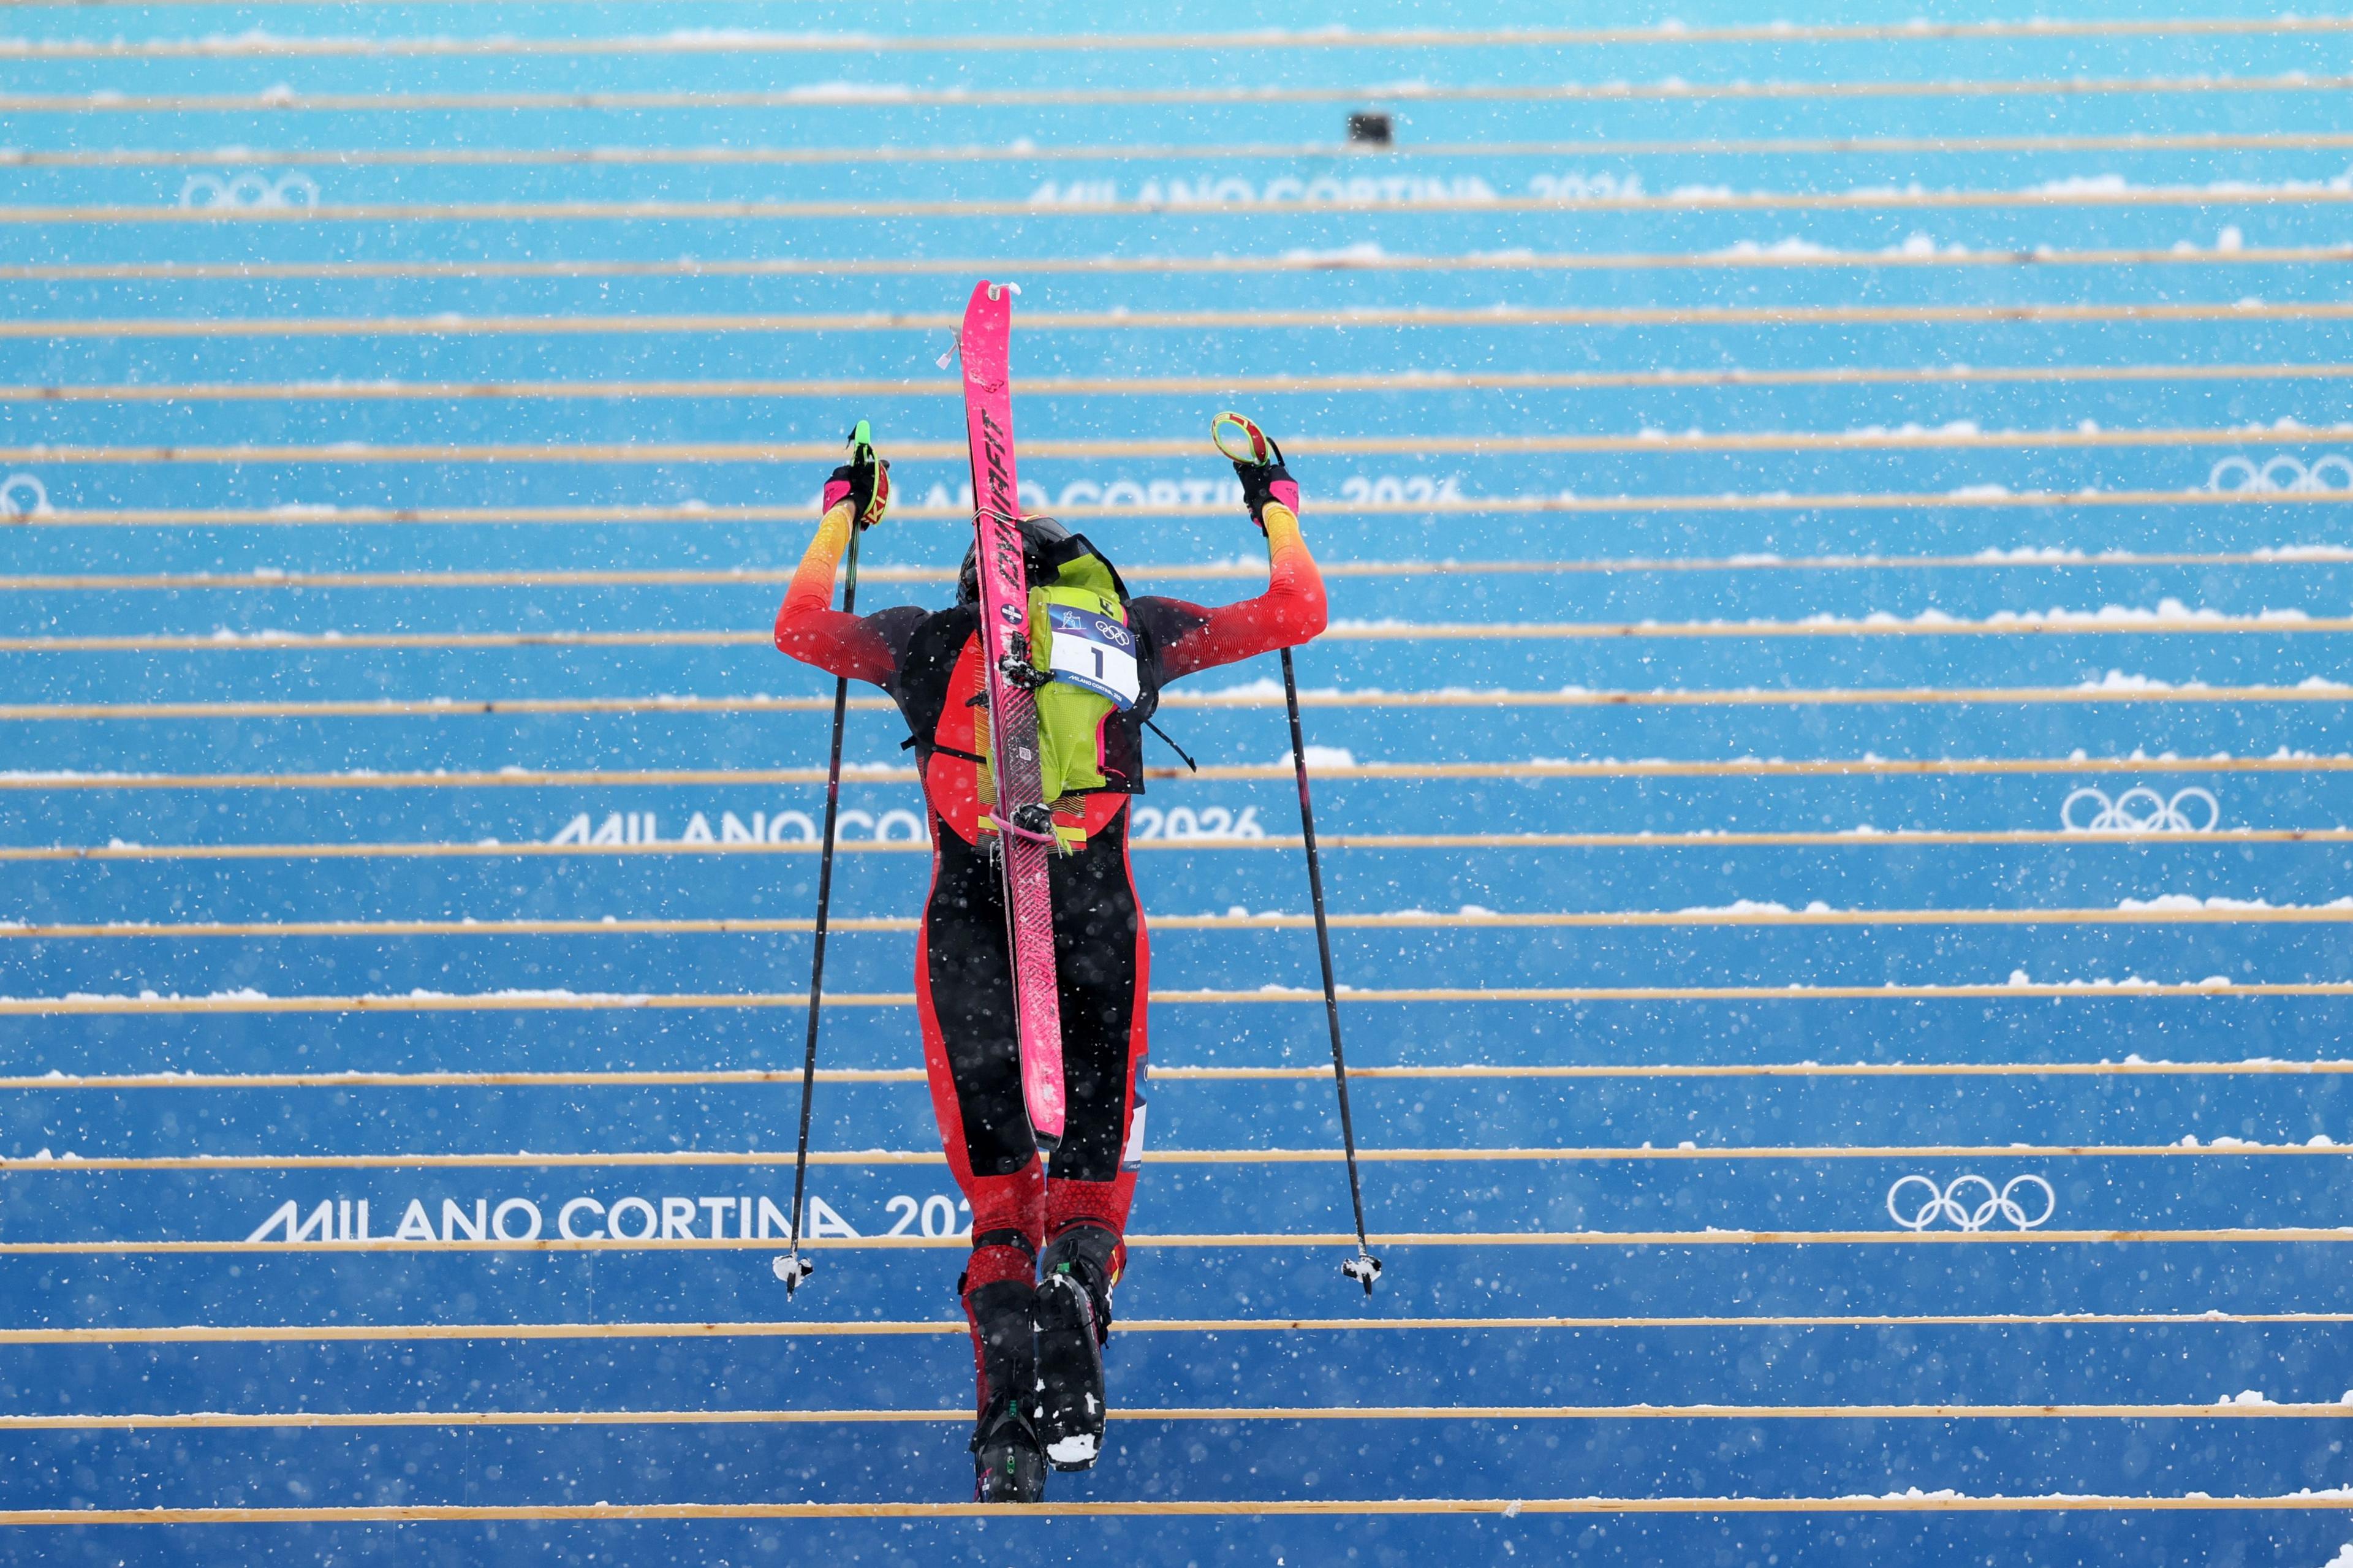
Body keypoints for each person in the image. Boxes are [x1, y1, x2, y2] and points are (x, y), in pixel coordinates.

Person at [771, 420, 1326, 1501]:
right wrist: (1276, 505)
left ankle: (1006, 1435)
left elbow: (797, 628)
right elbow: (1298, 611)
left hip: (968, 940)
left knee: (999, 1202)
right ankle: (1077, 1290)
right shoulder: (1134, 634)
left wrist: (844, 509)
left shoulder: (922, 639)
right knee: (1088, 1193)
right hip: (1097, 929)